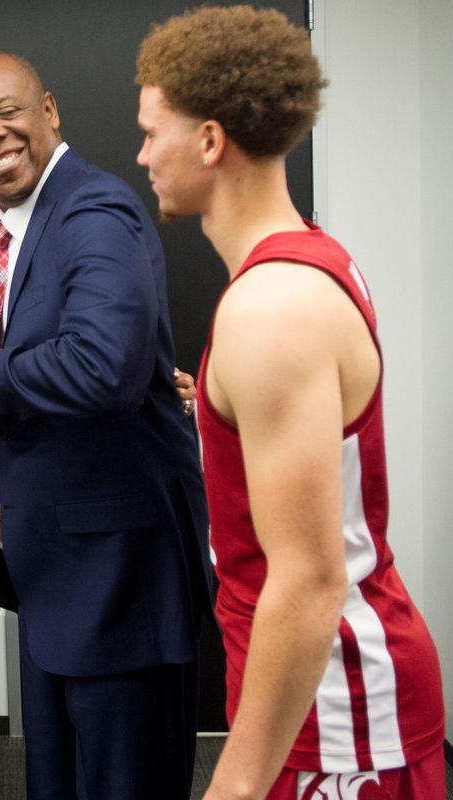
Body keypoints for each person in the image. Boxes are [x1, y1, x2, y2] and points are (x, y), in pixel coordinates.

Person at [136, 7, 445, 798]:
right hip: (308, 697)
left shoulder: (273, 309)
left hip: (338, 717)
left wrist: (232, 787)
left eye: (151, 132)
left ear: (209, 141)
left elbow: (308, 581)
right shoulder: (305, 264)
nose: (141, 155)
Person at [0, 51, 211, 799]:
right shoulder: (20, 233)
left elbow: (102, 365)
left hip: (120, 586)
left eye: (4, 111)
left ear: (51, 110)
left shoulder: (93, 208)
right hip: (57, 581)